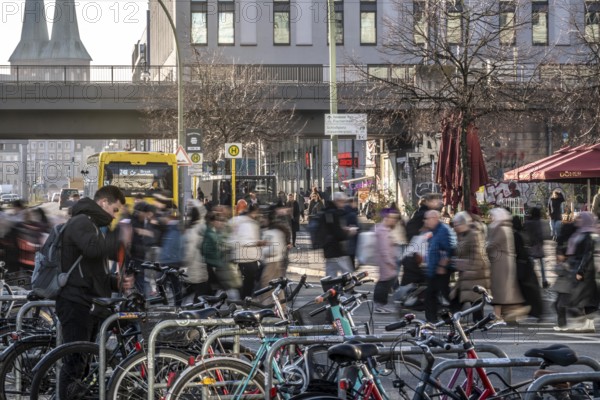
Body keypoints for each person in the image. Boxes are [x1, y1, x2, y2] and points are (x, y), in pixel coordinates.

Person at [57, 185, 133, 399]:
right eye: (115, 210)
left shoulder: (92, 225)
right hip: (75, 302)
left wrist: (117, 284)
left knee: (84, 362)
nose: (115, 216)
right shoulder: (81, 221)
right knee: (74, 363)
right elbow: (93, 250)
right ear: (103, 203)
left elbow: (93, 271)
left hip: (87, 301)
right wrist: (119, 237)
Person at [553, 212, 599, 332]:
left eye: (580, 218)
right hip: (578, 268)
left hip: (585, 271)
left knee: (585, 297)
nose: (577, 220)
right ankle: (587, 324)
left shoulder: (588, 235)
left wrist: (581, 271)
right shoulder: (580, 233)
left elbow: (587, 255)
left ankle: (588, 323)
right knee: (585, 298)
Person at [486, 207, 526, 323]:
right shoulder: (505, 227)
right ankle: (503, 314)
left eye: (493, 216)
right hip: (503, 262)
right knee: (504, 290)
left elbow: (491, 245)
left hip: (501, 264)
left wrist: (483, 247)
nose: (491, 218)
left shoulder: (499, 228)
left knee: (500, 290)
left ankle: (499, 315)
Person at [450, 211, 491, 323]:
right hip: (468, 275)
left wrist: (470, 269)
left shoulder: (473, 234)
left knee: (472, 300)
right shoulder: (464, 234)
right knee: (466, 299)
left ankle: (477, 323)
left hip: (475, 274)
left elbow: (478, 255)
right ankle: (458, 320)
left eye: (456, 225)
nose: (455, 227)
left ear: (463, 224)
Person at [423, 210, 456, 322]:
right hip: (434, 269)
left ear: (434, 218)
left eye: (427, 219)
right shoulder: (435, 230)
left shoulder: (443, 230)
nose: (426, 221)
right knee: (435, 295)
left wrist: (443, 265)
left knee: (437, 295)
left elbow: (450, 248)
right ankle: (436, 319)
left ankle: (435, 320)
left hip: (440, 270)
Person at [229, 204, 266, 298]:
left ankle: (245, 297)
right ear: (252, 212)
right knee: (249, 279)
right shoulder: (246, 223)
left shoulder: (240, 221)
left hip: (247, 256)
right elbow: (244, 241)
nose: (257, 215)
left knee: (249, 278)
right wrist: (257, 242)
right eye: (256, 213)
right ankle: (245, 298)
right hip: (245, 257)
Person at [512, 216, 543, 321]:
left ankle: (530, 311)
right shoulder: (523, 233)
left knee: (524, 290)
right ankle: (536, 312)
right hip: (528, 263)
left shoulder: (516, 235)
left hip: (521, 265)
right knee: (531, 289)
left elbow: (517, 250)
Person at [257, 208, 288, 304]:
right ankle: (281, 307)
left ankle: (266, 307)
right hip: (278, 261)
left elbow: (274, 249)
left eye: (264, 218)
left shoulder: (271, 233)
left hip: (272, 263)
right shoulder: (277, 231)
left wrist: (262, 249)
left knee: (267, 285)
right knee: (278, 287)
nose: (261, 220)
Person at [322, 192, 357, 277]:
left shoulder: (328, 211)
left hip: (329, 249)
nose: (344, 204)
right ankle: (347, 290)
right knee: (347, 274)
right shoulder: (334, 213)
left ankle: (330, 289)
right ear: (337, 201)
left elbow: (332, 229)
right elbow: (337, 233)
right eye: (342, 201)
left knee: (331, 275)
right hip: (338, 249)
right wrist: (348, 232)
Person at [182, 200, 211, 303]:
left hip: (195, 269)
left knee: (196, 295)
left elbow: (188, 254)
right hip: (198, 269)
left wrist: (183, 266)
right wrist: (196, 203)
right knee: (199, 297)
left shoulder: (194, 229)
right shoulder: (201, 227)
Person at [373, 208, 401, 313]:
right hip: (386, 261)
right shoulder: (383, 231)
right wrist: (390, 262)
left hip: (386, 260)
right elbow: (384, 250)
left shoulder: (384, 229)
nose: (394, 221)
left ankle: (379, 304)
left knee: (385, 282)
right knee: (384, 282)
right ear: (387, 218)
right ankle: (379, 305)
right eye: (392, 218)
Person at [523, 207, 549, 288]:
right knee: (541, 265)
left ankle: (529, 280)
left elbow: (525, 233)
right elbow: (541, 234)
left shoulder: (527, 222)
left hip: (530, 245)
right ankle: (544, 280)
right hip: (538, 245)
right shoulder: (539, 222)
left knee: (531, 264)